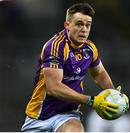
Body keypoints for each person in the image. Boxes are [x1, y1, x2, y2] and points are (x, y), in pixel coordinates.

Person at [21, 3, 121, 132]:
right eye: (79, 24)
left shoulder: (90, 48)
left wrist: (114, 95)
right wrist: (91, 101)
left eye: (88, 25)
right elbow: (54, 88)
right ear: (67, 25)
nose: (84, 29)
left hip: (68, 115)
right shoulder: (55, 47)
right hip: (39, 117)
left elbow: (99, 73)